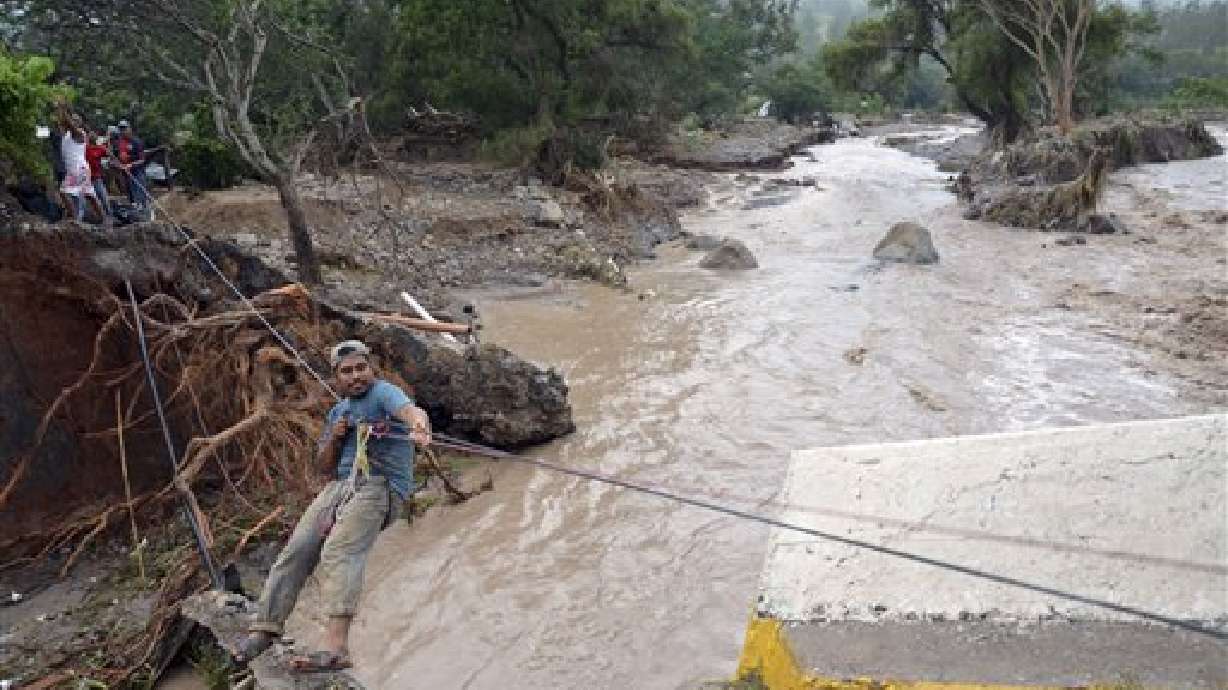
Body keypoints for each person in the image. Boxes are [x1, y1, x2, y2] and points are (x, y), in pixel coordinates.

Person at [235, 340, 432, 672]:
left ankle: (336, 647)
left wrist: (420, 428)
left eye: (361, 368)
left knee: (340, 550)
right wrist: (336, 437)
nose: (356, 376)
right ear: (336, 377)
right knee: (296, 550)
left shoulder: (383, 393)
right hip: (339, 487)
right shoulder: (338, 412)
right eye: (347, 371)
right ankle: (264, 629)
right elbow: (323, 466)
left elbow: (411, 411)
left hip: (379, 487)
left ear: (371, 369)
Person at [55, 102, 105, 223]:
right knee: (89, 195)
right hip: (80, 168)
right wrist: (61, 109)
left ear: (79, 123)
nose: (73, 121)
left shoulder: (79, 133)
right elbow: (62, 121)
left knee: (64, 192)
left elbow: (68, 122)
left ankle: (74, 219)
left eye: (75, 120)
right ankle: (103, 218)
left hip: (77, 168)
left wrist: (62, 107)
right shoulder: (68, 134)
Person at [111, 119, 148, 218]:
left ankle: (146, 214)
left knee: (140, 194)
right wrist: (116, 164)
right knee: (131, 196)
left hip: (137, 172)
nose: (123, 131)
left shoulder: (137, 142)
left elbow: (142, 159)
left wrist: (131, 165)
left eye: (124, 128)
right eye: (121, 129)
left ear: (129, 129)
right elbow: (116, 158)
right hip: (126, 173)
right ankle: (135, 216)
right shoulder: (118, 143)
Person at [84, 131, 112, 220]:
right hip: (86, 178)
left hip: (96, 177)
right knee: (91, 198)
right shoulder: (85, 148)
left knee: (103, 197)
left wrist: (108, 142)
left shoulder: (100, 148)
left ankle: (109, 215)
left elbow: (109, 154)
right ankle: (96, 216)